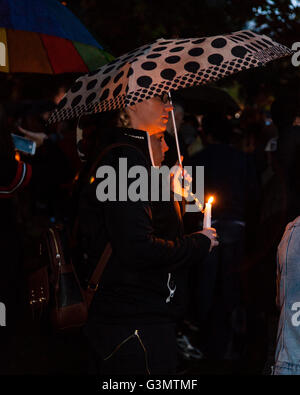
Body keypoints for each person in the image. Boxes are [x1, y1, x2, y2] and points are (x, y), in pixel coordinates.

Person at [76, 93, 219, 375]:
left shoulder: (133, 159)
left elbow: (157, 223)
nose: (168, 106)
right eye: (157, 98)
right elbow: (137, 248)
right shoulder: (125, 159)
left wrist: (177, 194)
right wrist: (199, 244)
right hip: (132, 321)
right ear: (130, 104)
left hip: (143, 315)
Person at [190, 112, 260, 361]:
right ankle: (228, 343)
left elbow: (190, 203)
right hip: (237, 228)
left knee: (206, 287)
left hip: (209, 229)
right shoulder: (242, 159)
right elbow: (253, 196)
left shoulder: (197, 160)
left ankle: (208, 342)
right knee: (231, 288)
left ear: (206, 134)